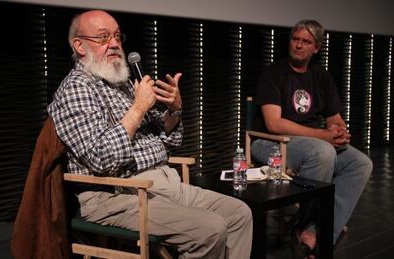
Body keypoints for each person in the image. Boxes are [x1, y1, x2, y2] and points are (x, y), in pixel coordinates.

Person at [48, 9, 252, 259]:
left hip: (163, 185)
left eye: (117, 36)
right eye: (103, 38)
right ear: (79, 45)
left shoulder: (121, 82)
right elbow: (102, 159)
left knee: (240, 214)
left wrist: (174, 111)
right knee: (210, 229)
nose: (114, 44)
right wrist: (138, 107)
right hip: (115, 195)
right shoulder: (76, 89)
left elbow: (169, 140)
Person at [251, 19, 372, 253]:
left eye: (305, 41)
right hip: (270, 142)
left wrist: (338, 131)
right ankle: (302, 224)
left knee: (361, 163)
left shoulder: (321, 76)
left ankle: (318, 229)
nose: (297, 45)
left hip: (310, 142)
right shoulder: (274, 73)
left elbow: (333, 116)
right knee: (322, 152)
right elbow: (274, 124)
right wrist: (322, 136)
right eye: (295, 39)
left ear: (316, 48)